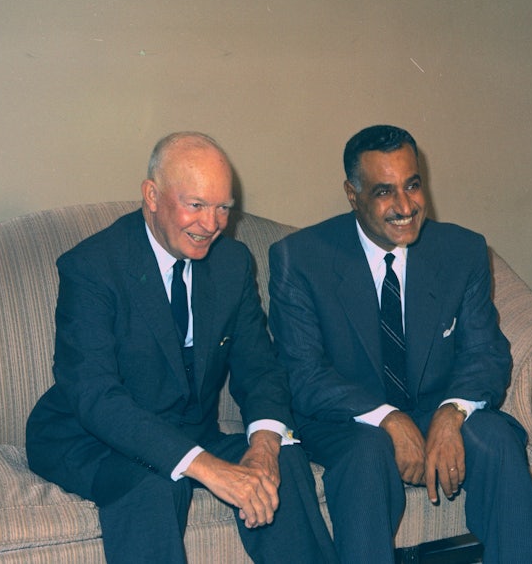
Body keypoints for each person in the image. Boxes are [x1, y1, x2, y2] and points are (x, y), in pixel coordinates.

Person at [26, 132, 336, 564]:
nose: (211, 224)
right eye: (196, 205)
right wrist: (208, 468)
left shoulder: (231, 263)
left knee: (284, 459)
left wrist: (265, 449)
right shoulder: (93, 267)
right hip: (88, 436)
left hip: (190, 431)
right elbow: (95, 396)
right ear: (152, 196)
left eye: (223, 208)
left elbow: (260, 370)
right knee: (155, 483)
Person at [268, 125, 532, 563]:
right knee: (366, 455)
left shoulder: (462, 250)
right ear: (352, 195)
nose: (405, 206)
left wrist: (452, 413)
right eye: (384, 192)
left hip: (435, 405)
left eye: (413, 185)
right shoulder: (299, 258)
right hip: (347, 420)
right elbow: (303, 374)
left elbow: (485, 352)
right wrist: (388, 418)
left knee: (496, 439)